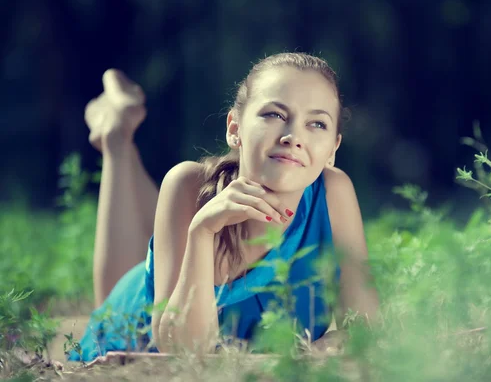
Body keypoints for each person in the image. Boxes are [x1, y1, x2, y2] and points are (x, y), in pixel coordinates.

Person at [70, 53, 379, 361]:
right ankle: (116, 137)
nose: (293, 136)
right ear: (234, 128)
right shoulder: (187, 185)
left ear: (333, 149)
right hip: (137, 322)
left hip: (166, 272)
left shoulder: (333, 193)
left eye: (317, 123)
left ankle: (118, 130)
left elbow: (366, 326)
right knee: (114, 294)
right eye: (274, 114)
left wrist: (341, 339)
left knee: (155, 247)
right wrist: (202, 232)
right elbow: (182, 352)